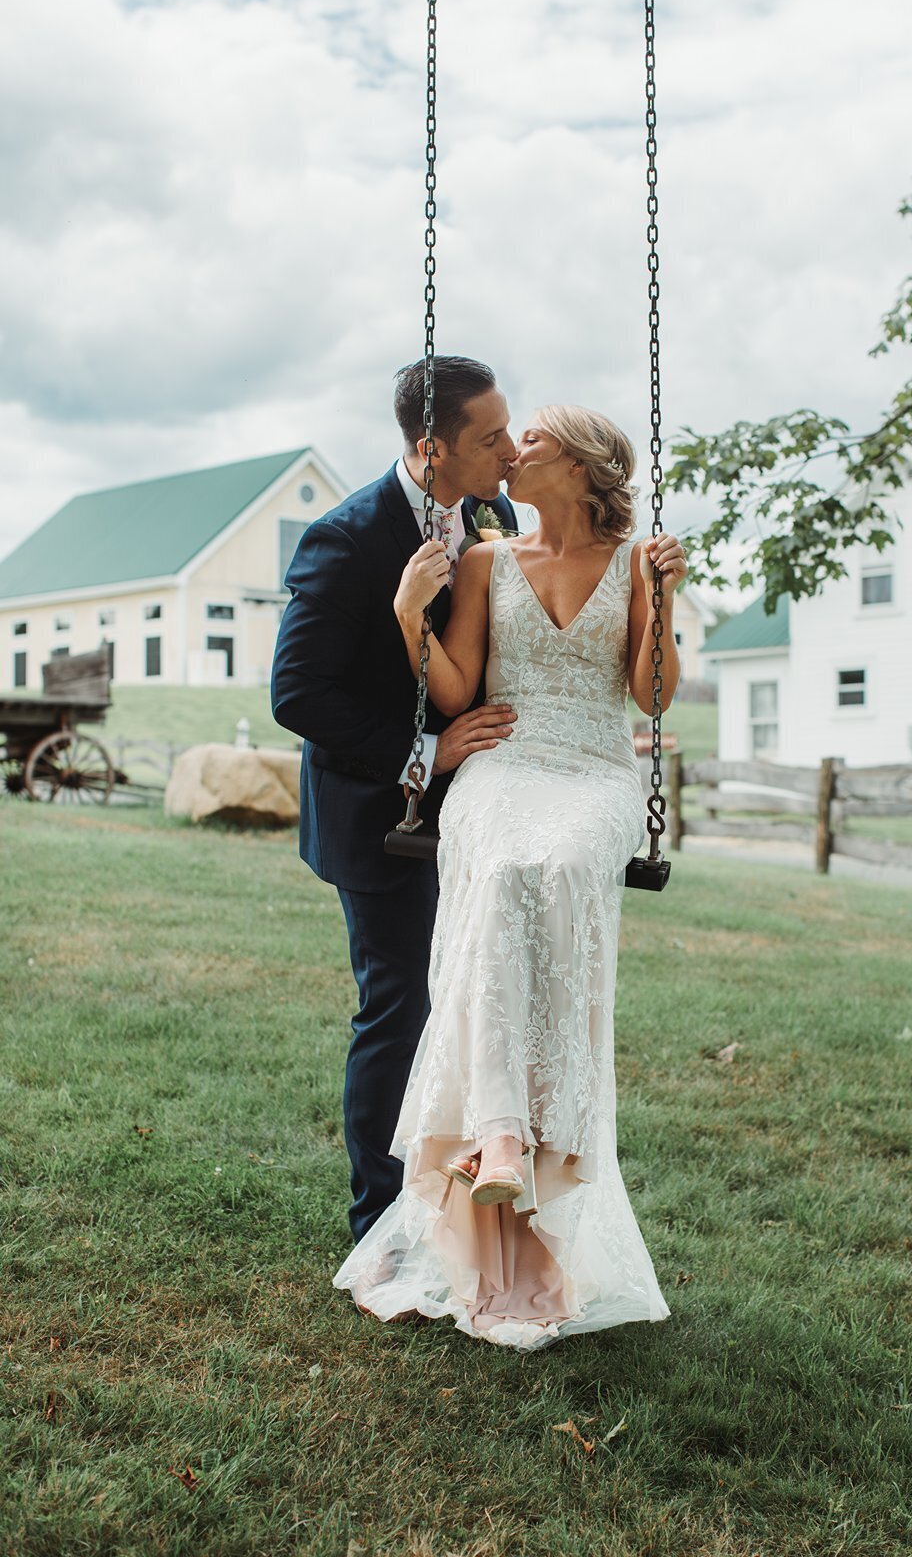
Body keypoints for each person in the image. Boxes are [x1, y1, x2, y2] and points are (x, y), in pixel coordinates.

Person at [333, 403, 687, 1347]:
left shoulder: (636, 563)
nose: (510, 451)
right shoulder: (487, 561)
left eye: (530, 441)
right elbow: (457, 688)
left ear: (579, 465)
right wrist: (410, 614)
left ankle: (534, 1147)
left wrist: (665, 602)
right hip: (503, 760)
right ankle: (494, 1137)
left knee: (557, 867)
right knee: (499, 872)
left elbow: (649, 694)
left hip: (593, 771)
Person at [271, 357, 520, 1246]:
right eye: (491, 437)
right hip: (377, 816)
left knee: (465, 1000)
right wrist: (425, 752)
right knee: (399, 1005)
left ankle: (452, 1195)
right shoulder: (345, 539)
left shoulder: (497, 515)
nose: (510, 450)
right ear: (431, 447)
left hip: (479, 810)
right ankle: (378, 1223)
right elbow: (297, 693)